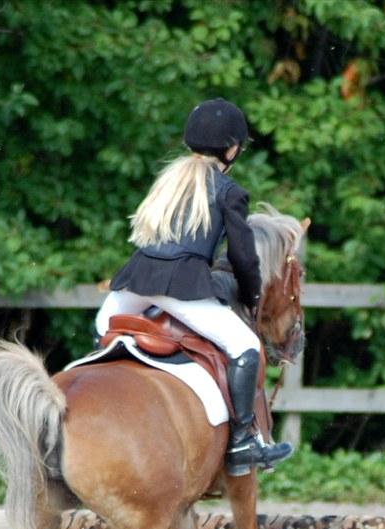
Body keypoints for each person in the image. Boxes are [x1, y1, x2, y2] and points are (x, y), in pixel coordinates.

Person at [95, 97, 292, 477]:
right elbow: (244, 258)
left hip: (135, 280)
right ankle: (241, 443)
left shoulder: (168, 180)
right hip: (181, 285)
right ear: (232, 148)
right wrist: (251, 295)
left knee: (104, 328)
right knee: (246, 346)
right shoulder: (228, 190)